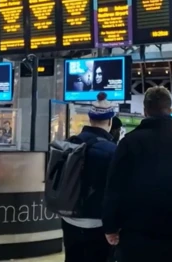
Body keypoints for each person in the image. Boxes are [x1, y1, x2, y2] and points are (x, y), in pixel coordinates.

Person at [103, 87, 172, 262]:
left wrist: (110, 226)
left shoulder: (128, 143)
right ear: (170, 110)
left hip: (134, 237)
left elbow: (114, 187)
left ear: (145, 111)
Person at [61, 92, 117, 262]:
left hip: (69, 218)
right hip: (97, 224)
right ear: (110, 121)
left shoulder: (70, 143)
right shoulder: (112, 151)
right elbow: (116, 192)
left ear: (90, 119)